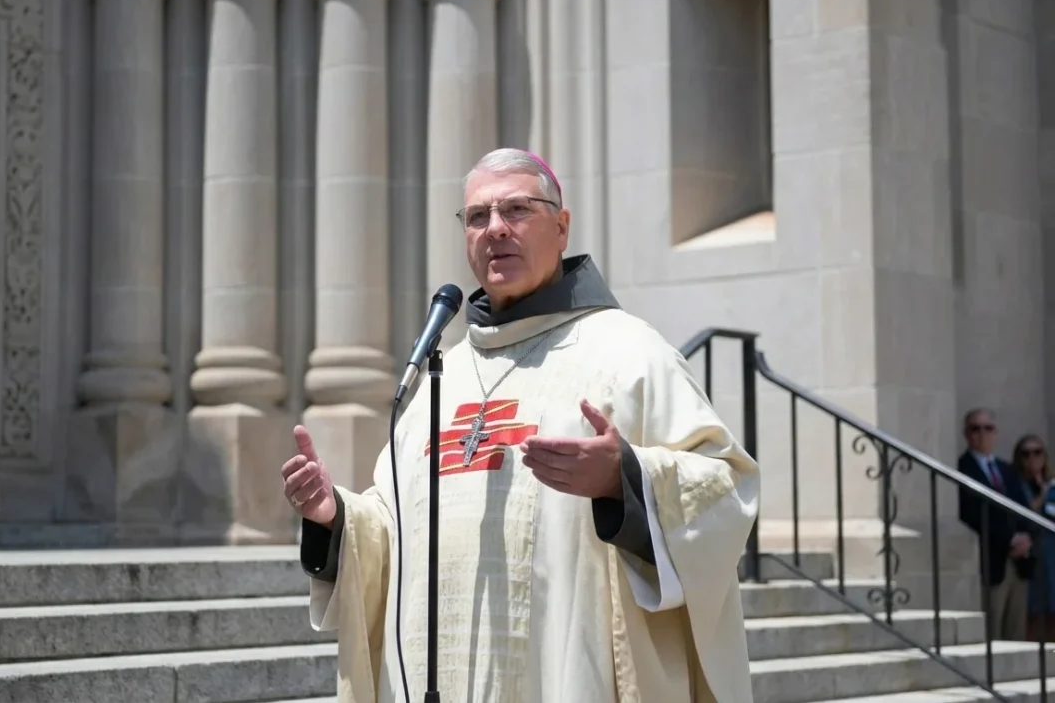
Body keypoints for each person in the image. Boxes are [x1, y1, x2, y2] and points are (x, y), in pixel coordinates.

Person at [280, 148, 759, 702]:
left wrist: (625, 480)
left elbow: (727, 487)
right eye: (478, 217)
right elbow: (395, 532)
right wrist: (334, 518)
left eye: (517, 210)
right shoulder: (443, 374)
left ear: (561, 227)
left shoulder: (629, 355)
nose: (495, 230)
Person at [956, 408, 1033, 641]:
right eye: (975, 428)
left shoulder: (1006, 469)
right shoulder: (962, 469)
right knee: (993, 631)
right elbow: (971, 515)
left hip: (1018, 562)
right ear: (966, 434)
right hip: (991, 560)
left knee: (1016, 630)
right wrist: (1008, 540)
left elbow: (1024, 509)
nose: (982, 434)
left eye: (988, 428)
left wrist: (1027, 538)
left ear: (996, 432)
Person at [1012, 434, 1055, 641]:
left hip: (1052, 554)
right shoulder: (1016, 485)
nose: (1032, 458)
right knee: (1032, 612)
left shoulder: (1051, 484)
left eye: (1037, 452)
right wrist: (1041, 496)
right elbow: (1022, 517)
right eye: (1026, 453)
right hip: (1031, 557)